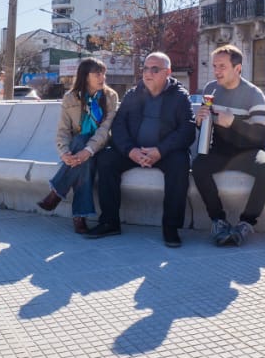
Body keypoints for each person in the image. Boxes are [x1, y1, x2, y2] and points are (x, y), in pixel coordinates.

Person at [88, 52, 194, 248]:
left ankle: (171, 227)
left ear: (168, 72)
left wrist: (160, 151)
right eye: (145, 68)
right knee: (106, 159)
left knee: (180, 163)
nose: (148, 73)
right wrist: (131, 151)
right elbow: (118, 126)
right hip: (134, 151)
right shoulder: (133, 95)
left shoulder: (179, 97)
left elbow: (187, 130)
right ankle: (109, 222)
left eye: (155, 69)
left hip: (165, 153)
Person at [192, 44, 265, 247]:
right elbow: (206, 125)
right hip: (220, 151)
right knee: (199, 166)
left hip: (248, 151)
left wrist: (233, 123)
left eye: (222, 66)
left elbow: (261, 135)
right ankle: (218, 221)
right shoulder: (211, 89)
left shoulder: (254, 94)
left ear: (237, 68)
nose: (216, 71)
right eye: (214, 66)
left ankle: (246, 223)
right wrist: (200, 121)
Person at [35, 58, 120, 234]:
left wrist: (88, 150)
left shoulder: (110, 96)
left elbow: (105, 130)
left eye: (103, 73)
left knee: (83, 144)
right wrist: (64, 153)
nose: (102, 77)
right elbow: (63, 130)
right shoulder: (70, 98)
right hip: (78, 147)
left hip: (102, 146)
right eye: (97, 74)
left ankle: (57, 193)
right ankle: (79, 214)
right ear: (85, 76)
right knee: (83, 155)